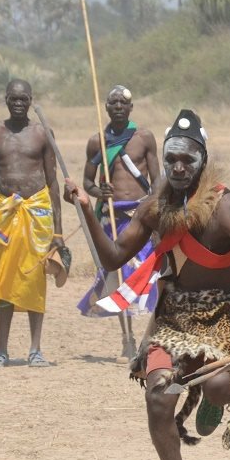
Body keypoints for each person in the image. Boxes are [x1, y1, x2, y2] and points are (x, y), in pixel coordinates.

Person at [65, 109, 230, 460]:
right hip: (173, 316)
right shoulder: (153, 208)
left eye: (187, 159)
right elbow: (113, 258)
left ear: (202, 159)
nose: (178, 167)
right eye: (172, 158)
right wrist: (87, 209)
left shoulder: (225, 206)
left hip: (224, 313)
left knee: (215, 385)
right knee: (158, 396)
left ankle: (216, 398)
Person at [0, 79, 64, 368]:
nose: (19, 103)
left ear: (31, 100)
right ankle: (1, 350)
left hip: (37, 211)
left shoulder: (42, 133)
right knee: (5, 278)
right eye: (13, 98)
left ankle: (35, 350)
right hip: (7, 213)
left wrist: (58, 231)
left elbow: (52, 182)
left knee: (35, 277)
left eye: (24, 99)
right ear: (6, 100)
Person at [77, 85, 159, 360]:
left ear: (131, 107)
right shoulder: (97, 142)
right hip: (113, 216)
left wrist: (158, 208)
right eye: (113, 103)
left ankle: (152, 337)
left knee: (151, 275)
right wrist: (100, 192)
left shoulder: (144, 138)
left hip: (142, 215)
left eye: (123, 103)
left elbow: (157, 179)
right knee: (119, 277)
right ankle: (128, 336)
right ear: (106, 108)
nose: (118, 108)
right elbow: (88, 181)